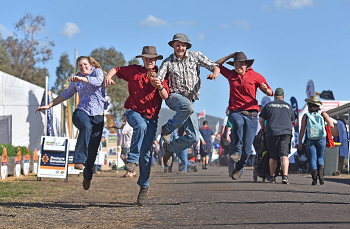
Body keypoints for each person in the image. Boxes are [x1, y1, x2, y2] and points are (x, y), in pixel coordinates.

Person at [104, 46, 169, 206]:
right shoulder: (134, 71)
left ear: (156, 60)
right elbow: (116, 69)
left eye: (152, 59)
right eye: (146, 58)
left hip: (152, 119)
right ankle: (131, 161)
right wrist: (107, 77)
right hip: (133, 112)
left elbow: (166, 96)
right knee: (139, 125)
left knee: (146, 156)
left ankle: (144, 186)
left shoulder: (162, 74)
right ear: (142, 59)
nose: (149, 61)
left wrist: (159, 85)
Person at [36, 56, 108, 190]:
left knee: (92, 152)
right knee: (86, 126)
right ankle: (79, 160)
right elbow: (66, 94)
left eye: (85, 64)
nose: (83, 67)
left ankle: (87, 175)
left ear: (90, 64)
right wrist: (50, 105)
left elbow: (98, 82)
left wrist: (81, 79)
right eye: (80, 66)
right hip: (82, 112)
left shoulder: (97, 72)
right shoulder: (76, 79)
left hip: (98, 117)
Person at [153, 33, 220, 168]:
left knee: (194, 137)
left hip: (190, 100)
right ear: (173, 45)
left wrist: (215, 74)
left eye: (183, 45)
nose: (180, 48)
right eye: (177, 45)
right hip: (174, 97)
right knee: (188, 107)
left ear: (187, 46)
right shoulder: (167, 62)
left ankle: (170, 148)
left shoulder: (195, 56)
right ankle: (168, 128)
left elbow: (214, 65)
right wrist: (155, 81)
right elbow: (158, 79)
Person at [216, 51, 273, 180]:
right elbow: (217, 64)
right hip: (235, 112)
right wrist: (230, 56)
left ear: (246, 64)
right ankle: (236, 150)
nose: (238, 67)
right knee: (238, 122)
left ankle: (238, 167)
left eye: (241, 64)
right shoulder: (231, 75)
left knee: (247, 152)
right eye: (236, 64)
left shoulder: (256, 76)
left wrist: (265, 89)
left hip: (252, 115)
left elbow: (270, 92)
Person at [259, 88, 296, 184]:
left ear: (274, 96)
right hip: (285, 133)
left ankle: (272, 178)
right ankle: (285, 177)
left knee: (273, 156)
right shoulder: (288, 106)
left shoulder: (268, 105)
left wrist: (263, 128)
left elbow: (261, 120)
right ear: (283, 96)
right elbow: (293, 121)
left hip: (272, 132)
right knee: (284, 156)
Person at [298, 95, 334, 185]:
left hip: (310, 139)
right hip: (321, 138)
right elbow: (331, 125)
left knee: (312, 158)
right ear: (318, 105)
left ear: (309, 105)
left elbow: (302, 130)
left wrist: (300, 142)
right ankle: (321, 176)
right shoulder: (323, 114)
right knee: (320, 157)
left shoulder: (306, 116)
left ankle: (314, 179)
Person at [109, 113, 134, 177]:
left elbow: (122, 132)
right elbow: (120, 127)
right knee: (123, 157)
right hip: (125, 144)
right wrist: (113, 127)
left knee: (125, 157)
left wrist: (123, 125)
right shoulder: (128, 124)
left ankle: (131, 171)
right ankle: (130, 171)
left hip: (127, 144)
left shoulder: (127, 124)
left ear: (125, 117)